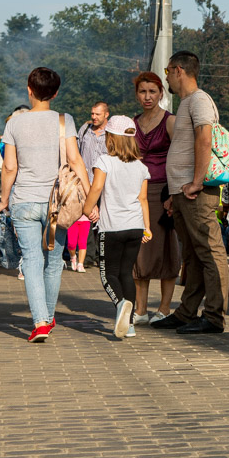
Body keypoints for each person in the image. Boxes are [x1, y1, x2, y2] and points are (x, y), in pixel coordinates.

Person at [0, 67, 91, 343]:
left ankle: (40, 322)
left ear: (29, 89)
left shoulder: (14, 123)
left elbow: (9, 167)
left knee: (32, 261)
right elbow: (75, 160)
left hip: (24, 201)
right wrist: (89, 198)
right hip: (56, 205)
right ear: (55, 93)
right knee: (53, 262)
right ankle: (47, 315)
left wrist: (4, 199)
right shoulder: (64, 120)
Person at [151, 51, 229, 335]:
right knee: (193, 255)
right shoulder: (187, 103)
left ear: (178, 70)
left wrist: (196, 181)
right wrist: (175, 194)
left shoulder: (199, 100)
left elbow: (204, 138)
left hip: (197, 191)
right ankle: (186, 313)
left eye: (167, 71)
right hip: (183, 192)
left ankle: (214, 316)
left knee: (210, 251)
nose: (167, 77)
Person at [83, 116, 151, 340]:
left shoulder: (105, 161)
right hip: (135, 226)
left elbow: (96, 188)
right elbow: (143, 199)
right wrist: (147, 227)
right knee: (126, 273)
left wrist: (87, 208)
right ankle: (128, 326)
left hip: (112, 227)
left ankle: (121, 304)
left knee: (107, 274)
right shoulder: (141, 167)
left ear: (111, 139)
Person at [131, 71, 180, 324]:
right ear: (137, 95)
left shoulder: (171, 121)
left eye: (152, 91)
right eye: (143, 91)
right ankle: (140, 309)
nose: (147, 96)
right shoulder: (132, 123)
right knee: (140, 249)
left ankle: (164, 308)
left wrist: (174, 193)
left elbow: (180, 158)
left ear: (161, 93)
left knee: (166, 250)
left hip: (164, 192)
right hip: (137, 192)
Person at [68, 101, 109, 273]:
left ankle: (102, 255)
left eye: (98, 114)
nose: (94, 117)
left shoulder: (111, 132)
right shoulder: (85, 129)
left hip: (104, 183)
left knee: (103, 219)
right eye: (92, 113)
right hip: (84, 182)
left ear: (106, 114)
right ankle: (88, 257)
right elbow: (76, 153)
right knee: (86, 219)